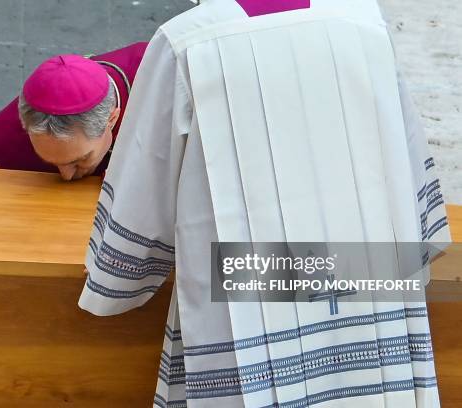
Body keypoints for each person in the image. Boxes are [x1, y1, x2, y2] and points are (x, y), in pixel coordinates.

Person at [77, 0, 451, 407]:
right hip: (359, 278)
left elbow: (145, 177)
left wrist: (116, 275)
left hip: (248, 286)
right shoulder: (362, 17)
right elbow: (405, 151)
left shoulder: (186, 41)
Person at [0, 42, 147, 180]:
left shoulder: (161, 80)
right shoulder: (7, 137)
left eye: (80, 160)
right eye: (50, 161)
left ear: (112, 119)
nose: (66, 176)